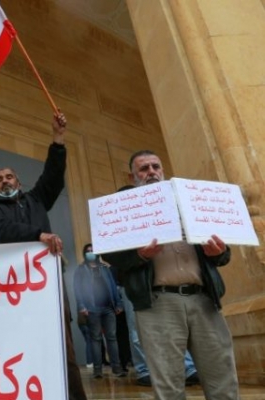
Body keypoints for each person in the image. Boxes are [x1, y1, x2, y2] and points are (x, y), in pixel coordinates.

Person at [106, 150, 239, 399]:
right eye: (144, 168)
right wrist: (140, 255)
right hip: (158, 304)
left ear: (163, 171)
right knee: (168, 385)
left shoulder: (192, 202)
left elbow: (224, 254)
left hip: (204, 300)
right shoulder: (124, 209)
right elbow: (110, 255)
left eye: (155, 166)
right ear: (132, 176)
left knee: (222, 378)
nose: (151, 172)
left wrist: (218, 253)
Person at [0, 112, 88, 400]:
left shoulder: (36, 199)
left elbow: (52, 176)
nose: (4, 181)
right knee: (21, 348)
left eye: (9, 176)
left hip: (49, 285)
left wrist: (58, 139)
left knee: (64, 348)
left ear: (18, 181)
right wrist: (38, 235)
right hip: (14, 289)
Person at [113, 184, 201, 387]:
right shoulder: (119, 226)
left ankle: (187, 368)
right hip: (132, 284)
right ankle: (144, 370)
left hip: (155, 283)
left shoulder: (154, 219)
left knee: (175, 329)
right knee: (137, 331)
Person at [74, 244, 126, 379]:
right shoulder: (81, 270)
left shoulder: (104, 268)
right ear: (84, 254)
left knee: (112, 338)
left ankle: (117, 368)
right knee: (96, 339)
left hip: (108, 308)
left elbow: (112, 286)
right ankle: (97, 371)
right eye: (88, 251)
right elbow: (77, 290)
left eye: (92, 251)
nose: (90, 253)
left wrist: (118, 303)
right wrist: (81, 306)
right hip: (92, 309)